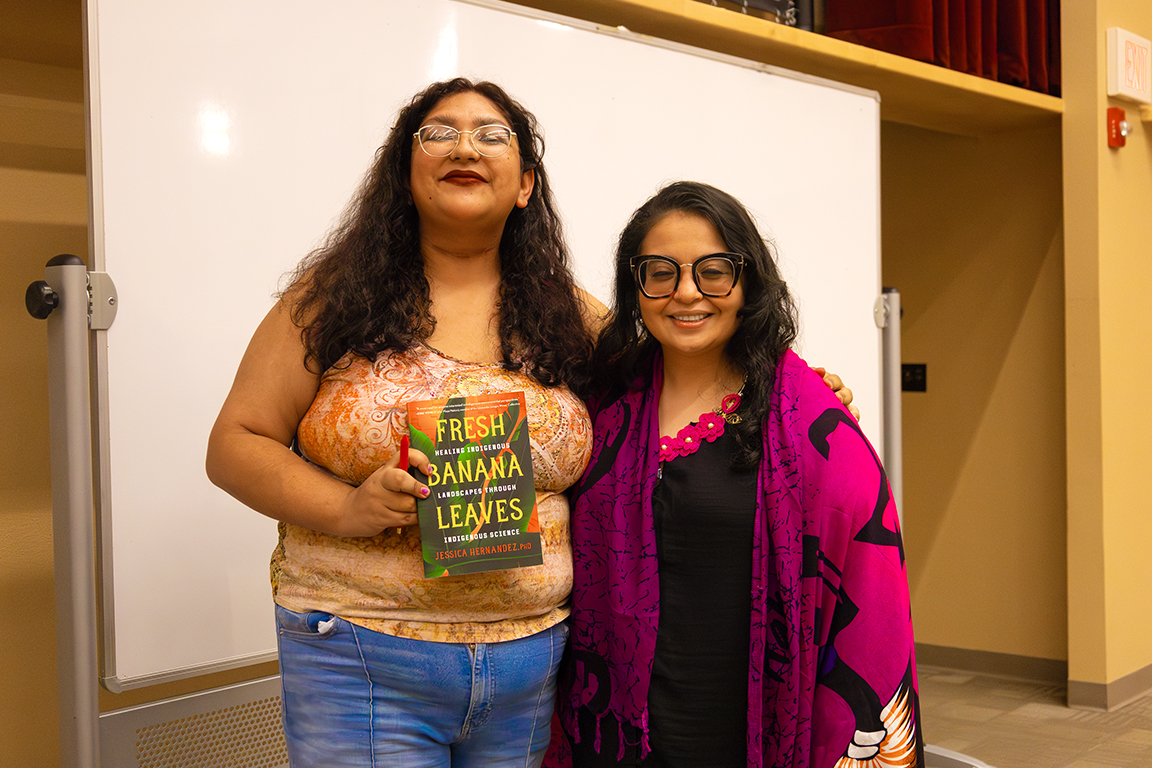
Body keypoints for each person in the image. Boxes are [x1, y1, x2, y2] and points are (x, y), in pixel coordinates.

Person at [206, 78, 600, 768]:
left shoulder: (569, 312)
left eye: (491, 134)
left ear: (525, 185)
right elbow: (235, 445)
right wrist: (349, 505)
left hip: (531, 667)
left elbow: (690, 368)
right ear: (404, 171)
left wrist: (810, 392)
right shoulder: (330, 301)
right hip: (362, 657)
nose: (464, 147)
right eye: (439, 133)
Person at [548, 181, 923, 768]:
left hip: (750, 730)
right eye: (660, 271)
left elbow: (870, 592)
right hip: (611, 729)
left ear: (748, 282)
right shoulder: (602, 403)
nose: (688, 293)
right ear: (635, 286)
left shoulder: (808, 423)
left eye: (714, 271)